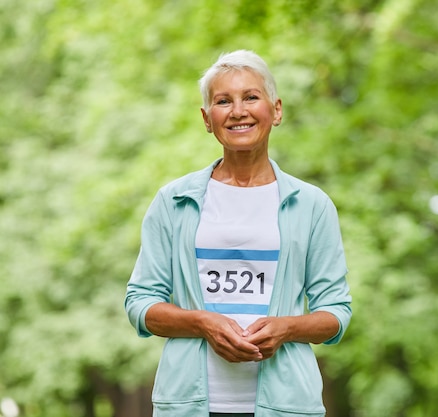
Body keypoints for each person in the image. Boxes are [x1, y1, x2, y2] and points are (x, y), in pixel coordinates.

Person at [124, 50, 352, 417]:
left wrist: (287, 328)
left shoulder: (312, 205)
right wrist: (203, 322)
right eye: (222, 101)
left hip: (287, 405)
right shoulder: (174, 201)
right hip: (187, 404)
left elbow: (336, 312)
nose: (238, 110)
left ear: (276, 110)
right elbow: (140, 303)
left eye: (251, 97)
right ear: (207, 119)